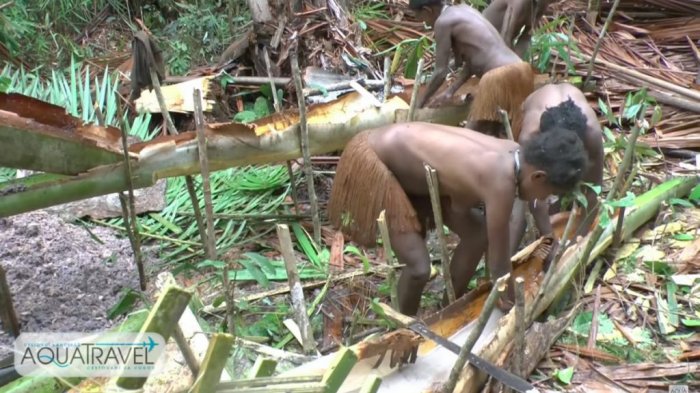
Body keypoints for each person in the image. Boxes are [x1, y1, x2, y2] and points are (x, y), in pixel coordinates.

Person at [328, 122, 588, 316]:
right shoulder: (501, 180)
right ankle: (402, 328)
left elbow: (463, 201)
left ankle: (449, 307)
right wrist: (516, 307)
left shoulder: (514, 152)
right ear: (538, 177)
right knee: (419, 268)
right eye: (549, 194)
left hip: (413, 168)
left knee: (477, 235)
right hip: (376, 161)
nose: (545, 200)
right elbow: (498, 266)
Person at [409, 0, 535, 136]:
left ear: (428, 10)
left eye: (419, 16)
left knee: (471, 136)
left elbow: (440, 71)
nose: (423, 23)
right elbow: (474, 61)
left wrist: (418, 105)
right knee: (500, 132)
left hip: (499, 77)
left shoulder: (443, 22)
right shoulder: (464, 10)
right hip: (522, 70)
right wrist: (450, 91)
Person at [509, 83, 604, 254]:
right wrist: (550, 240)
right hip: (532, 111)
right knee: (521, 200)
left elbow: (593, 192)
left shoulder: (592, 135)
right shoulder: (530, 137)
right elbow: (534, 197)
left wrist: (575, 246)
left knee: (559, 185)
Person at [482, 0, 554, 57]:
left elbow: (525, 38)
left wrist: (518, 62)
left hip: (500, 43)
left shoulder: (542, 6)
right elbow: (505, 36)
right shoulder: (520, 2)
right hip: (483, 38)